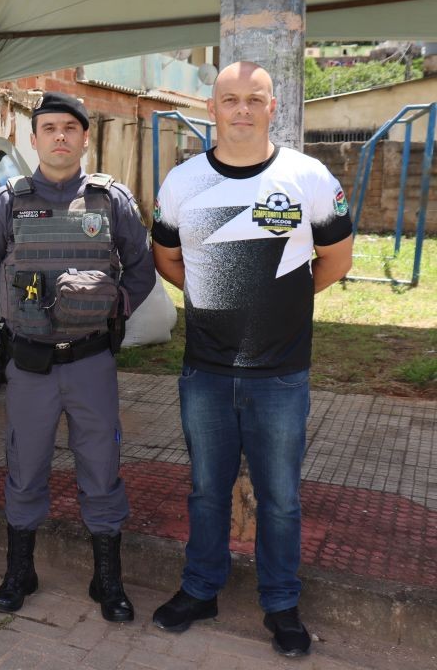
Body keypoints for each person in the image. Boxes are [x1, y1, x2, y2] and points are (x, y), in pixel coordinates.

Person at [150, 61, 354, 657]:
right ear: (212, 107)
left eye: (254, 99)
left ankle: (281, 604)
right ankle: (200, 589)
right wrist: (218, 299)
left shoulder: (307, 177)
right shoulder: (182, 182)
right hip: (206, 374)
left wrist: (279, 304)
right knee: (206, 491)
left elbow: (337, 260)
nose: (242, 109)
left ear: (273, 107)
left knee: (281, 499)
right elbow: (167, 260)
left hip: (281, 376)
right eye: (231, 99)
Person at [0, 91, 156, 621]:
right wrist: (20, 316)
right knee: (25, 465)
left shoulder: (110, 200)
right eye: (49, 128)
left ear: (84, 138)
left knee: (101, 466)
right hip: (30, 364)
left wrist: (112, 308)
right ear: (33, 139)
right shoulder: (6, 202)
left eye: (70, 128)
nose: (60, 137)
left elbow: (141, 269)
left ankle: (108, 579)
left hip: (90, 361)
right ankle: (20, 572)